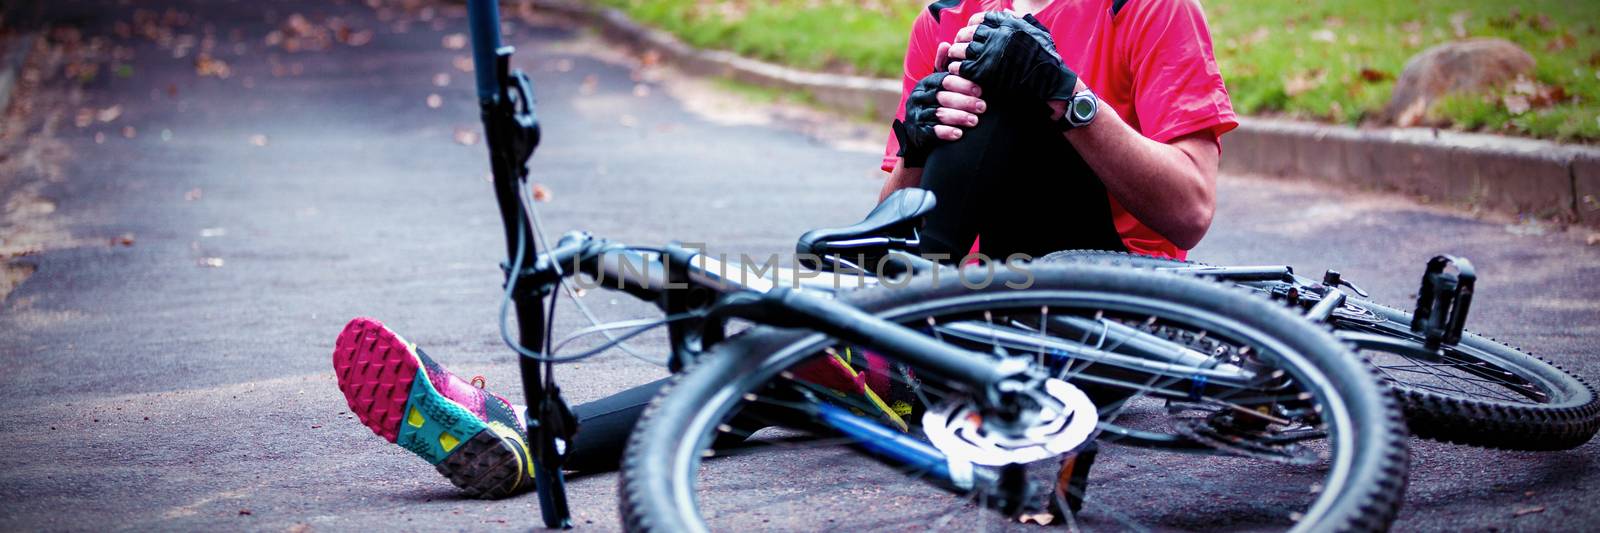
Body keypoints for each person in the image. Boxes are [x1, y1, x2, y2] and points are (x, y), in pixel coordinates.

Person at [332, 0, 1236, 499]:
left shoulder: (1146, 7)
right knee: (766, 361)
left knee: (1012, 80)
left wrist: (1066, 97)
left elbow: (1190, 209)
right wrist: (915, 145)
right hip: (970, 315)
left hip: (1114, 310)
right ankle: (534, 440)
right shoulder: (945, 20)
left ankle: (866, 346)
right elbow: (888, 219)